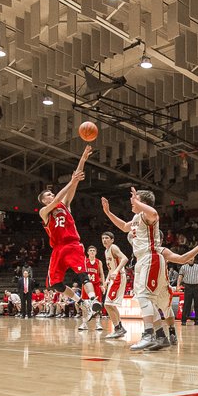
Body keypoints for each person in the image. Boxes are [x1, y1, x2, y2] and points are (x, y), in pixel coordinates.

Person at [102, 187, 173, 351]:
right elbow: (124, 227)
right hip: (141, 260)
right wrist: (108, 213)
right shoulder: (136, 217)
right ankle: (161, 337)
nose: (131, 201)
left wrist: (138, 203)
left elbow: (155, 213)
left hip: (151, 256)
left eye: (135, 199)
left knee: (144, 297)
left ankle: (148, 334)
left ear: (144, 203)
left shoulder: (149, 215)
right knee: (144, 299)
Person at [38, 145, 97, 328]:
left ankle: (93, 300)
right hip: (57, 249)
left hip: (72, 244)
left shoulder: (65, 205)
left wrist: (83, 158)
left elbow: (76, 180)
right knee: (55, 284)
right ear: (43, 200)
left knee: (82, 274)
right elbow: (60, 196)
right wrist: (71, 182)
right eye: (48, 194)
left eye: (51, 193)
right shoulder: (44, 211)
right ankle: (81, 302)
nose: (52, 195)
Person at [100, 233, 129, 338]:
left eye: (107, 238)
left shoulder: (113, 247)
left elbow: (125, 259)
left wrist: (116, 271)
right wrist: (106, 281)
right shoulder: (106, 251)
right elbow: (110, 269)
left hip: (119, 276)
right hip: (114, 277)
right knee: (110, 304)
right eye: (103, 238)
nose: (104, 240)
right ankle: (119, 328)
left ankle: (118, 328)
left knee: (108, 304)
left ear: (112, 240)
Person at [83, 246, 105, 331]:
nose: (92, 252)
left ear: (96, 252)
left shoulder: (98, 262)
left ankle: (98, 324)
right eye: (90, 251)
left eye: (93, 251)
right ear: (88, 252)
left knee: (98, 305)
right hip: (86, 285)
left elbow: (102, 274)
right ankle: (84, 323)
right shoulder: (85, 261)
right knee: (84, 304)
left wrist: (103, 285)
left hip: (96, 285)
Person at [177, 256, 198, 325]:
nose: (191, 259)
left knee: (197, 304)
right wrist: (178, 285)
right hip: (188, 286)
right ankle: (184, 320)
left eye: (192, 257)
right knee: (186, 304)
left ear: (194, 258)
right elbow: (180, 276)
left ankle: (197, 320)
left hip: (196, 287)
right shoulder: (183, 267)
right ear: (187, 259)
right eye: (190, 257)